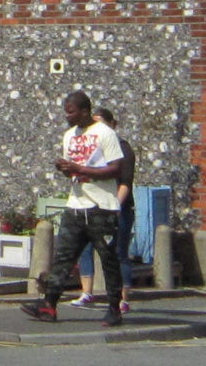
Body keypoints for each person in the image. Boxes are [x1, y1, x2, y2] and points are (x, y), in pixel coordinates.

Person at [20, 91, 125, 328]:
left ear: (85, 112)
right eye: (66, 111)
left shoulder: (105, 134)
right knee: (63, 258)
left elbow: (116, 169)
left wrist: (81, 169)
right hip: (76, 205)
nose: (67, 116)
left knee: (109, 260)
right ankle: (49, 305)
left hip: (102, 207)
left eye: (71, 112)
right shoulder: (69, 135)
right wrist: (65, 168)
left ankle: (114, 310)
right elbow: (75, 171)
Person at [68, 107, 135, 313]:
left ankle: (122, 299)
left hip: (117, 208)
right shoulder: (92, 146)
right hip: (91, 206)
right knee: (86, 249)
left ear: (113, 125)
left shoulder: (123, 148)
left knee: (118, 252)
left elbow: (125, 182)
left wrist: (114, 207)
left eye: (101, 123)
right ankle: (87, 293)